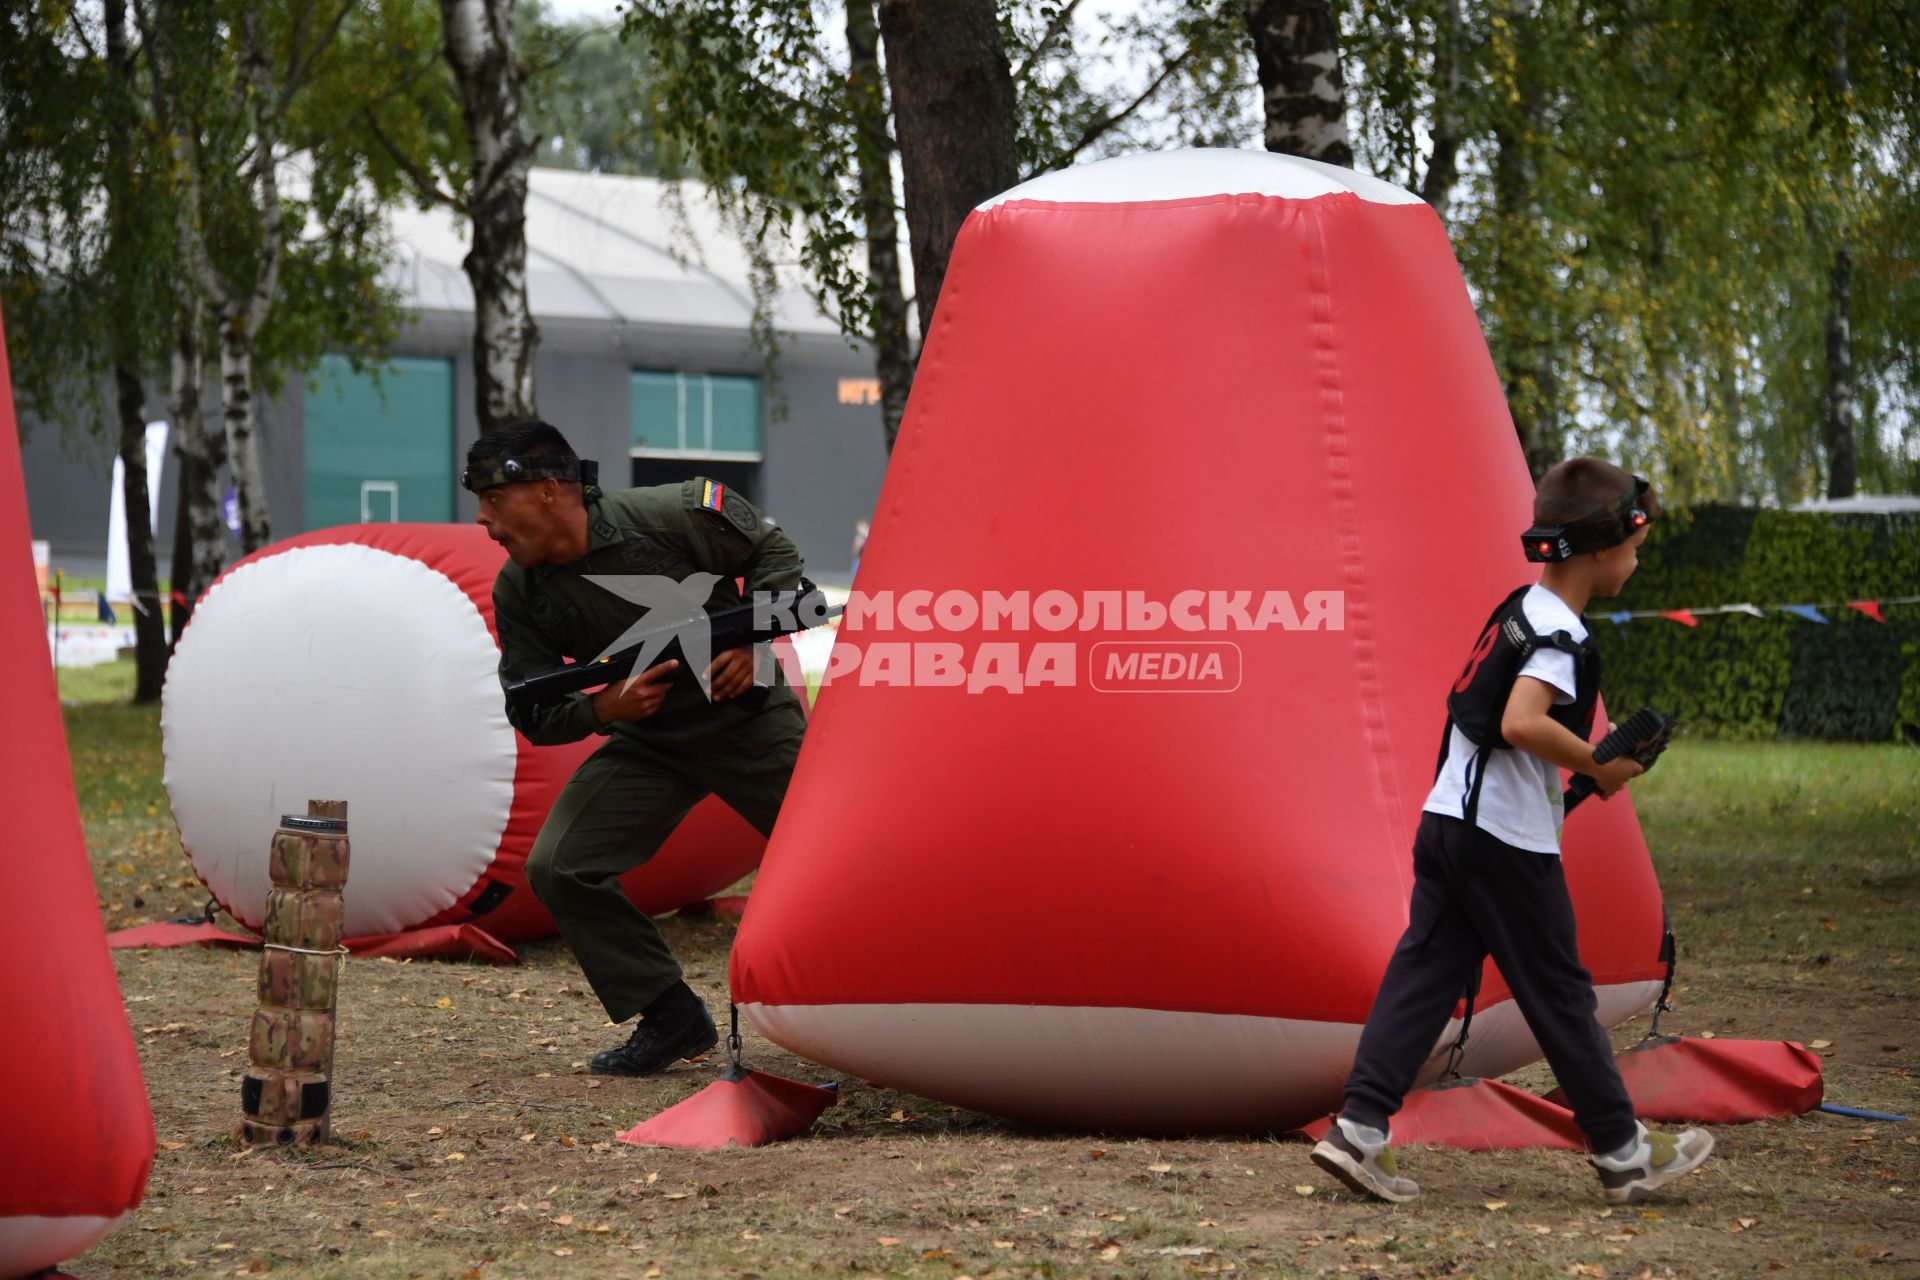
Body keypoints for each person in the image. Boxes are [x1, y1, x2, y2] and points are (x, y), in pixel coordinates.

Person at [1311, 458, 1714, 1206]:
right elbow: (1520, 723)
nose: (1637, 560)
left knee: (1424, 976)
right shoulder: (1560, 633)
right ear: (1600, 549)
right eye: (1635, 548)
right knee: (1560, 991)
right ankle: (1626, 1152)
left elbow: (1497, 733)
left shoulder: (1518, 610)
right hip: (1503, 844)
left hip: (1448, 826)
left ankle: (1358, 1129)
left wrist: (1586, 779)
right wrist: (1602, 760)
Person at [466, 421, 809, 1076]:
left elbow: (777, 557)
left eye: (492, 496)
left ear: (546, 490)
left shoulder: (672, 513)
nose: (483, 518)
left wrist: (750, 640)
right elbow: (531, 707)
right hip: (648, 742)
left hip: (749, 722)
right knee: (559, 866)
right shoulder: (520, 590)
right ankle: (669, 1014)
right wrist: (602, 708)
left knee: (838, 855)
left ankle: (911, 996)